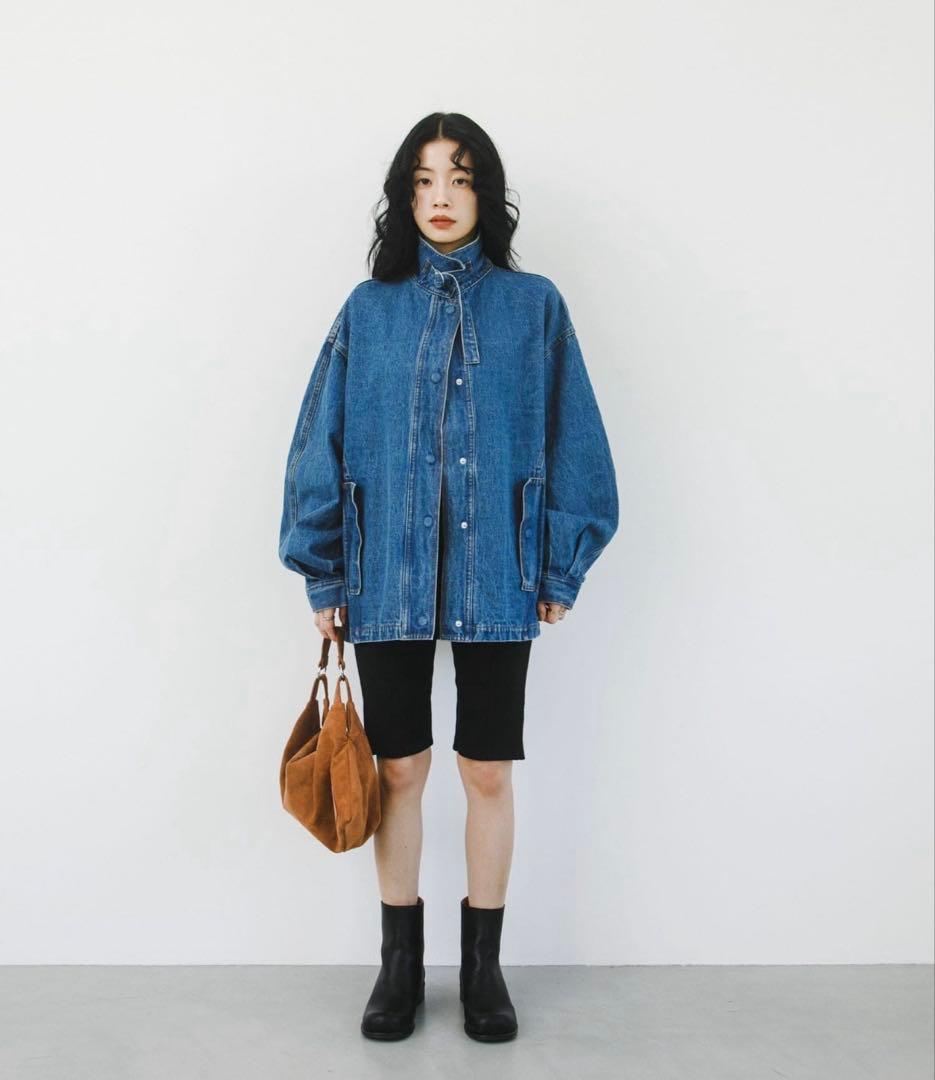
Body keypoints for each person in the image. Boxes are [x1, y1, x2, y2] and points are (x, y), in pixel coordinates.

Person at [278, 112, 619, 1042]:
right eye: (424, 179)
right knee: (399, 770)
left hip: (498, 571)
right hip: (382, 572)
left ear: (485, 194)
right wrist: (323, 572)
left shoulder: (533, 305)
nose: (440, 197)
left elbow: (577, 440)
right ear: (404, 194)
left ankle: (481, 969)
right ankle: (398, 967)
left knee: (486, 771)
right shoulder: (367, 309)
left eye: (460, 179)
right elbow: (318, 443)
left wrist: (559, 563)